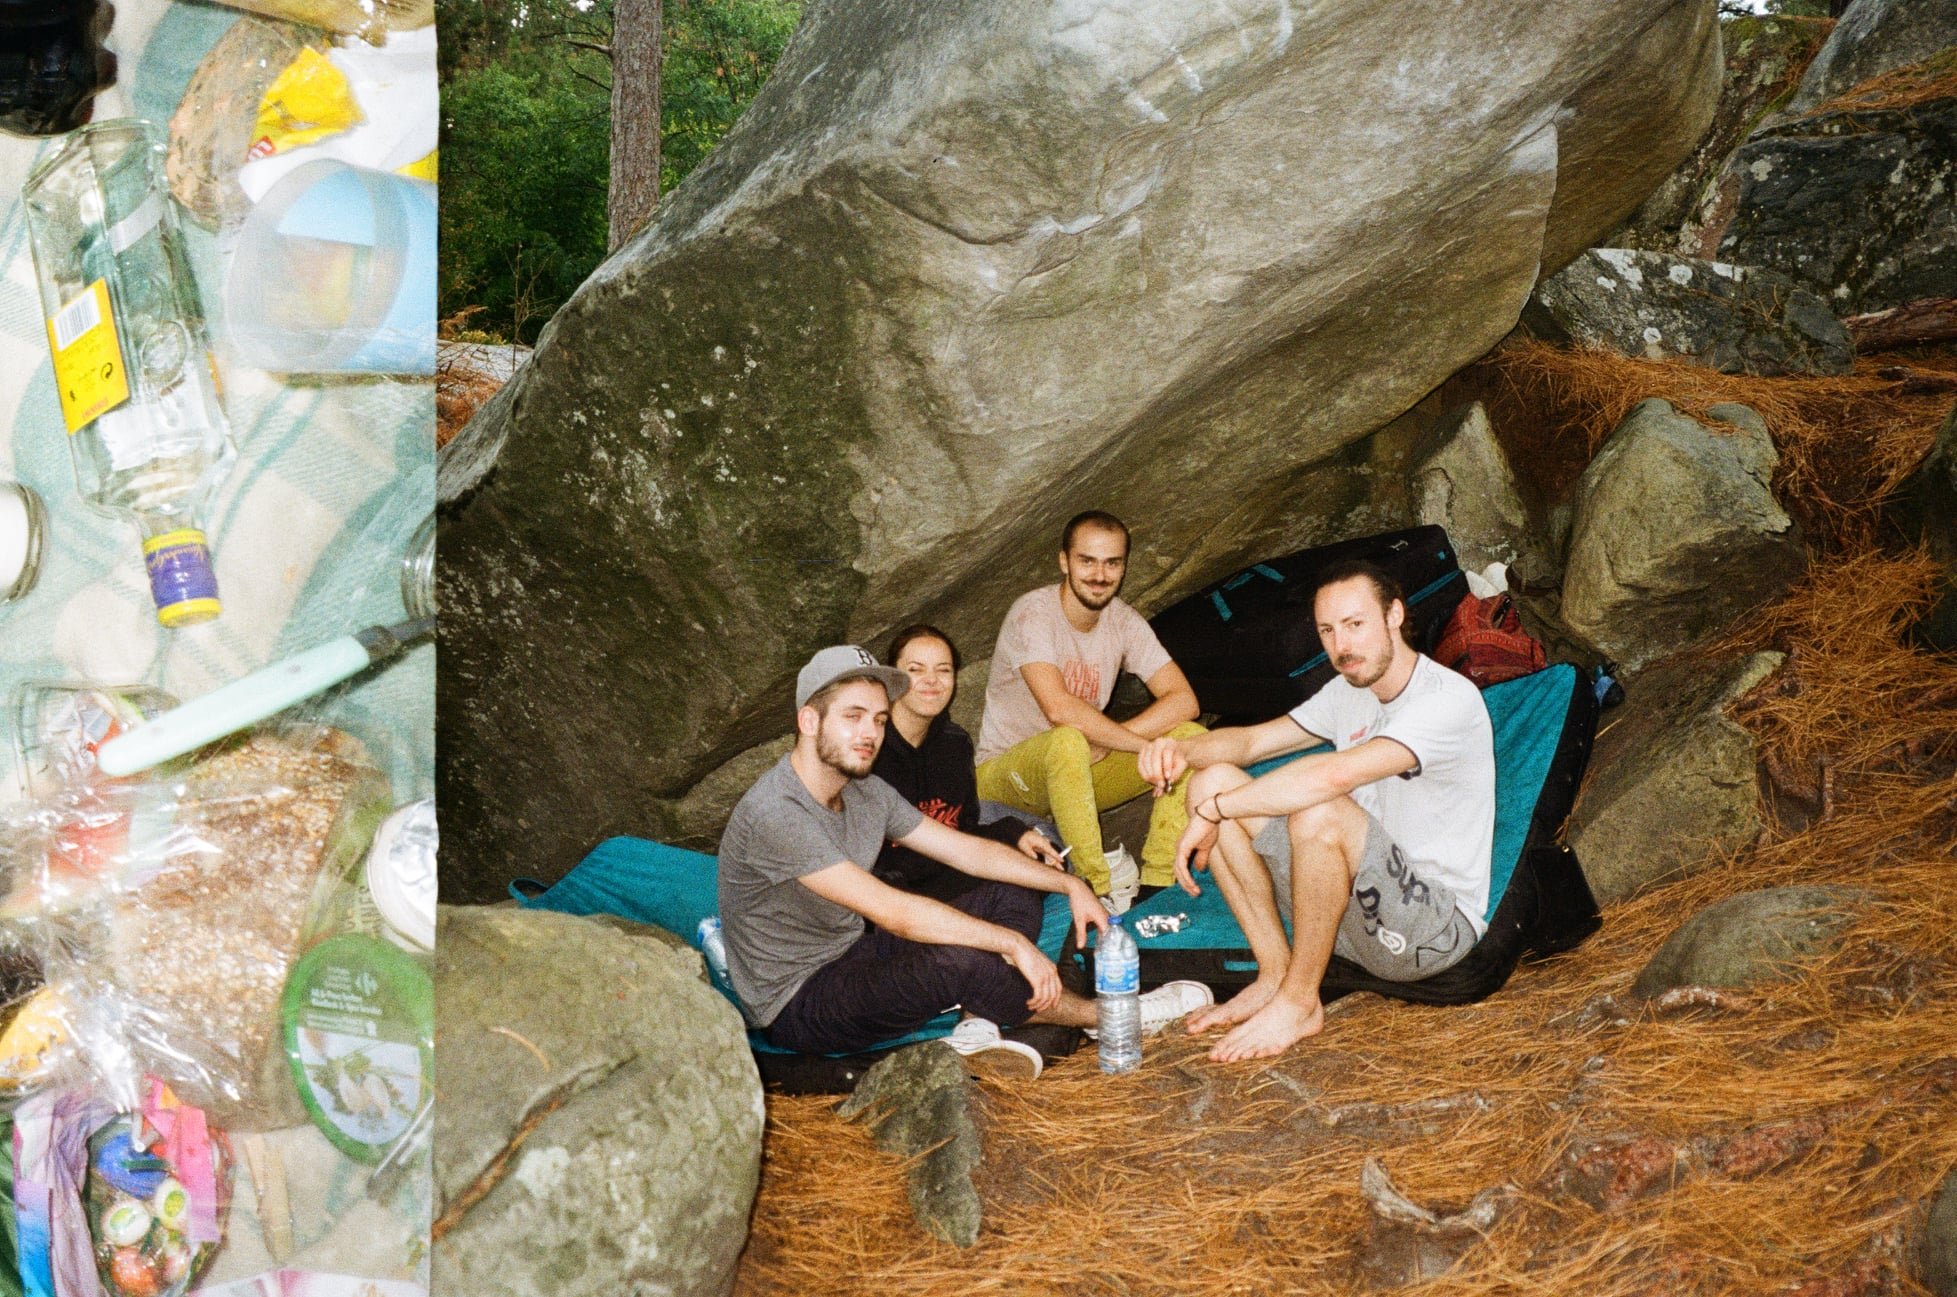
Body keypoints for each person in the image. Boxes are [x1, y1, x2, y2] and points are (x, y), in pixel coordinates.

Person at [719, 644, 1212, 1077]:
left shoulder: (865, 790)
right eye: (852, 717)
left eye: (878, 718)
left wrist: (1071, 886)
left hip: (853, 954)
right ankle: (1112, 1019)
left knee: (1013, 886)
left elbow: (966, 850)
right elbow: (894, 913)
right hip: (797, 1000)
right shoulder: (776, 813)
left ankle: (979, 1019)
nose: (869, 732)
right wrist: (1012, 943)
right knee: (958, 960)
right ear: (809, 721)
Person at [1137, 560, 1495, 1063]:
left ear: (1394, 615)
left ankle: (1299, 1002)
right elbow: (1252, 740)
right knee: (1211, 776)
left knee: (1319, 809)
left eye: (1355, 624)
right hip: (1349, 909)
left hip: (1427, 930)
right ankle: (1275, 975)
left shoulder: (1445, 700)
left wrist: (1217, 810)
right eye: (1328, 630)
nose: (1341, 646)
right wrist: (1176, 749)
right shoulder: (1351, 691)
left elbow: (1333, 778)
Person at [974, 511, 1207, 904]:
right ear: (1064, 561)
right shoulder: (1033, 613)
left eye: (1112, 563)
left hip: (1080, 774)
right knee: (1067, 741)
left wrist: (1114, 741)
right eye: (1087, 561)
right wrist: (1134, 746)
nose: (1100, 575)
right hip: (1006, 779)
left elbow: (1185, 701)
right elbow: (1059, 710)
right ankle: (1093, 887)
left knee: (1190, 740)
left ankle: (1160, 882)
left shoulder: (1124, 622)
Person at [871, 624, 1065, 903]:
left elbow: (965, 829)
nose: (932, 680)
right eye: (915, 670)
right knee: (1013, 889)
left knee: (1045, 854)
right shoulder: (869, 748)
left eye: (943, 669)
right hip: (898, 892)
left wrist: (1014, 835)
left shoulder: (954, 744)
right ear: (892, 678)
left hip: (955, 864)